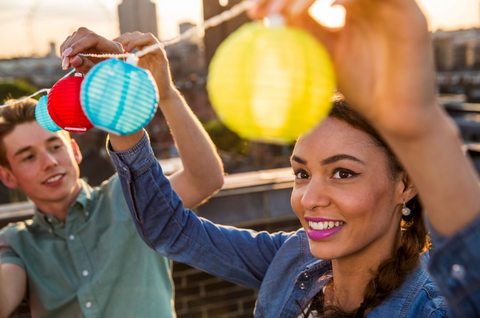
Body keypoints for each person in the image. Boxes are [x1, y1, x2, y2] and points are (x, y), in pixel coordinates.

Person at [104, 0, 480, 317]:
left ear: (406, 184)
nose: (309, 198)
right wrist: (133, 106)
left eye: (343, 172)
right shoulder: (291, 258)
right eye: (301, 173)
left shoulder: (435, 306)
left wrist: (422, 129)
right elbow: (170, 231)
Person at [0, 30, 224, 318]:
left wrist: (164, 91)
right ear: (7, 177)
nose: (49, 162)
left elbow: (206, 179)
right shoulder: (16, 243)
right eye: (28, 156)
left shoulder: (131, 196)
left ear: (75, 151)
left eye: (55, 146)